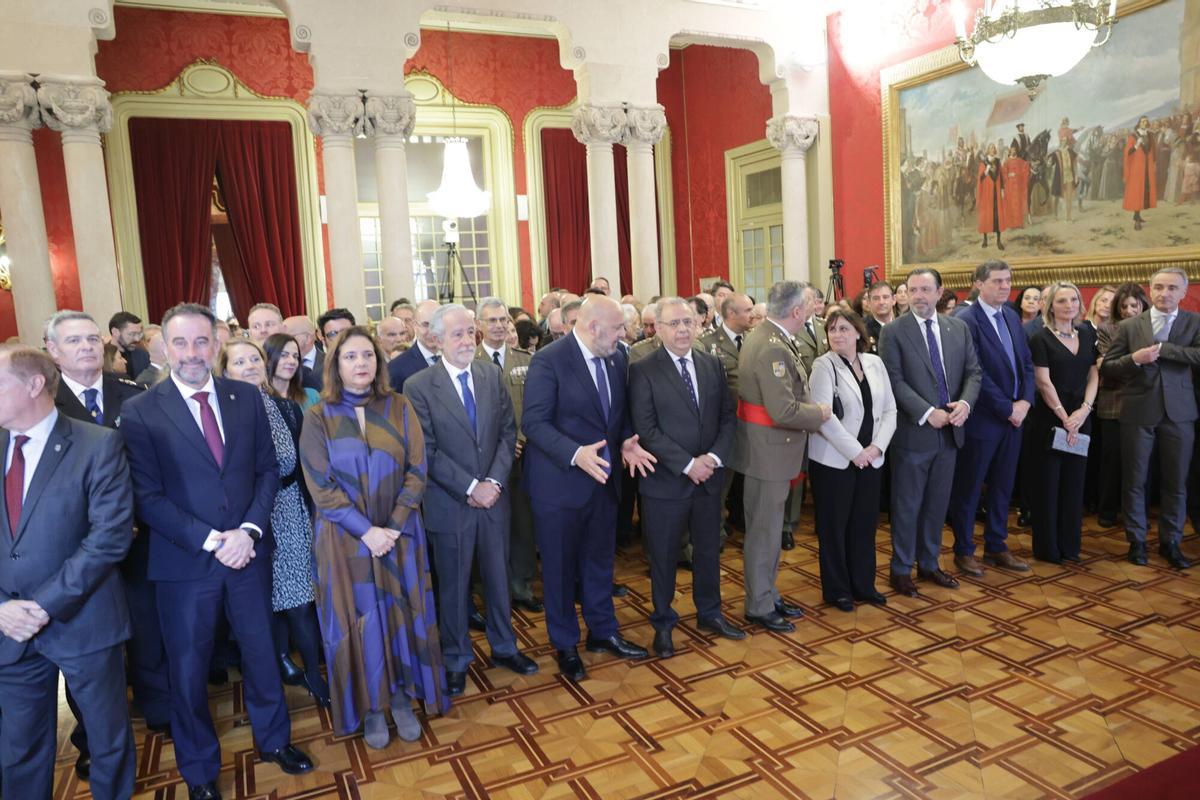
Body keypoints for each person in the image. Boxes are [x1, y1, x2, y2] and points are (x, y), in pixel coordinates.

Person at [120, 304, 313, 800]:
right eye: (180, 343)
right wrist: (213, 540)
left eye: (201, 342)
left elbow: (268, 471)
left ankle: (275, 742)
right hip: (186, 564)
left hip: (249, 554)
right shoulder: (141, 410)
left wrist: (247, 531)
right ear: (164, 346)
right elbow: (146, 496)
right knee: (187, 671)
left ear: (216, 344)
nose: (191, 353)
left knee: (263, 655)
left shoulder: (246, 398)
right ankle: (200, 770)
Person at [298, 326, 450, 749]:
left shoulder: (399, 406)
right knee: (359, 620)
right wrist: (366, 532)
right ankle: (371, 706)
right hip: (345, 541)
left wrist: (394, 525)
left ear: (379, 362)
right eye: (350, 357)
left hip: (400, 534)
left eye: (367, 355)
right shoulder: (318, 416)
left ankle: (401, 697)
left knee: (401, 613)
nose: (360, 363)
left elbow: (418, 470)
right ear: (335, 364)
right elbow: (319, 484)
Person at [0, 345, 136, 800]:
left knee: (107, 741)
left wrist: (41, 605)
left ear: (34, 384)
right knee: (18, 749)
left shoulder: (97, 444)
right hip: (9, 630)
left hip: (86, 623)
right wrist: (3, 610)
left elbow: (109, 538)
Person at [44, 311, 167, 771]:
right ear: (52, 352)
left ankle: (159, 706)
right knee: (88, 650)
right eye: (73, 341)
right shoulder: (45, 405)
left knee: (148, 629)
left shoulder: (134, 394)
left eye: (92, 339)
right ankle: (92, 737)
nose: (87, 347)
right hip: (77, 548)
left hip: (140, 537)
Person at [521, 295, 656, 681]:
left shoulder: (616, 357)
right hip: (559, 487)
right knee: (561, 570)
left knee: (599, 562)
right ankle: (564, 644)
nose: (624, 334)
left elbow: (617, 413)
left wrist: (628, 438)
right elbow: (534, 423)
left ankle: (603, 631)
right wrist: (574, 453)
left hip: (603, 483)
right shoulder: (550, 360)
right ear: (593, 326)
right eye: (617, 328)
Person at [405, 305, 537, 696]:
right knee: (455, 587)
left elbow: (506, 433)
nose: (467, 341)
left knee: (499, 579)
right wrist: (469, 487)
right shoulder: (418, 386)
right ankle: (456, 658)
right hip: (450, 503)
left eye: (469, 333)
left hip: (495, 498)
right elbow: (425, 450)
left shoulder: (490, 375)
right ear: (437, 339)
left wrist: (494, 481)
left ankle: (504, 647)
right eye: (457, 335)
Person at [217, 340, 327, 709]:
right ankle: (276, 671)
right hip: (245, 521)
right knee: (264, 606)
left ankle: (314, 674)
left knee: (299, 603)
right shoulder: (221, 411)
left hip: (289, 512)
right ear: (225, 370)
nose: (249, 366)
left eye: (254, 359)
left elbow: (295, 463)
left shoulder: (281, 404)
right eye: (239, 361)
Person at [629, 297, 742, 657]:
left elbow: (727, 416)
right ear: (658, 329)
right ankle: (663, 623)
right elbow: (646, 428)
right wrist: (687, 464)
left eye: (688, 322)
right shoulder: (643, 369)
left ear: (699, 325)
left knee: (708, 550)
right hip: (666, 482)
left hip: (708, 477)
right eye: (674, 323)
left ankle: (710, 613)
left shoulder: (712, 364)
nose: (682, 330)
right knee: (663, 558)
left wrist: (711, 457)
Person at [731, 281, 830, 633]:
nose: (815, 309)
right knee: (764, 532)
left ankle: (767, 593)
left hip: (770, 450)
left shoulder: (770, 338)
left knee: (770, 531)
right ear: (797, 311)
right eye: (809, 305)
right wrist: (820, 413)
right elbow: (783, 409)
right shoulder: (771, 346)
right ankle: (758, 604)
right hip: (768, 452)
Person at [879, 268, 981, 597]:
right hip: (913, 433)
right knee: (908, 505)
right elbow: (894, 381)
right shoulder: (893, 332)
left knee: (937, 504)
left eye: (926, 289)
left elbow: (973, 372)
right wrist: (926, 412)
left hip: (951, 433)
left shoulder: (958, 328)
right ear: (905, 294)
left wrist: (965, 403)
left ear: (939, 293)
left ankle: (929, 563)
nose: (919, 296)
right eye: (913, 290)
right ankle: (900, 569)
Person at [1100, 268, 1200, 569]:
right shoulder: (1130, 325)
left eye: (1171, 288)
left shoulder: (1194, 322)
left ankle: (1171, 541)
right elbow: (1108, 367)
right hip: (1138, 410)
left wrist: (1166, 350)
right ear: (1150, 289)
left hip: (1179, 412)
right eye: (1158, 287)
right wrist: (1134, 359)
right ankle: (1137, 541)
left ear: (1183, 292)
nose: (1164, 293)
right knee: (1134, 479)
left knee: (1176, 481)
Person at [947, 261, 1034, 577]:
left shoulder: (1011, 315)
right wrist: (1007, 408)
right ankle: (964, 550)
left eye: (1008, 280)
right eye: (997, 281)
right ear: (979, 284)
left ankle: (997, 545)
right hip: (983, 418)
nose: (1004, 286)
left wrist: (1025, 401)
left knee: (1003, 485)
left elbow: (1026, 362)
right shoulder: (965, 320)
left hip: (1015, 417)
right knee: (970, 487)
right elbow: (975, 372)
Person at [808, 309, 895, 611]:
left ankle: (863, 584)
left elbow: (890, 411)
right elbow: (823, 417)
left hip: (872, 459)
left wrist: (876, 448)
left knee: (863, 524)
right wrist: (855, 452)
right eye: (832, 330)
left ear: (859, 333)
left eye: (844, 329)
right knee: (834, 527)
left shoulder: (875, 363)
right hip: (835, 462)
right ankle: (838, 590)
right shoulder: (823, 365)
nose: (837, 335)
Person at [474, 298, 541, 612]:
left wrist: (520, 438)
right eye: (492, 321)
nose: (499, 325)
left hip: (524, 457)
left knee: (523, 524)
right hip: (485, 461)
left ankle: (522, 585)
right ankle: (493, 589)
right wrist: (502, 444)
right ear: (479, 326)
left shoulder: (527, 359)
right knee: (491, 528)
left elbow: (537, 405)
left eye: (503, 320)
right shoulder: (469, 361)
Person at [1026, 282, 1098, 564]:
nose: (1069, 305)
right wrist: (1064, 415)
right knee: (1049, 485)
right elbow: (1042, 382)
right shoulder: (1040, 339)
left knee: (1074, 484)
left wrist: (1084, 411)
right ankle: (1048, 549)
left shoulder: (1087, 333)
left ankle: (1070, 546)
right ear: (1049, 306)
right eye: (1062, 301)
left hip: (1081, 419)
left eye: (1074, 300)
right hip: (1050, 420)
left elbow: (1094, 375)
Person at [1095, 283, 1150, 528]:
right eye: (1124, 306)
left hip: (1146, 403)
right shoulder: (1108, 329)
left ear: (1142, 306)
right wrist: (1137, 364)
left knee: (1140, 463)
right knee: (1111, 461)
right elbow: (1107, 366)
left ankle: (1136, 514)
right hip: (1114, 403)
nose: (1129, 310)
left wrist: (1124, 365)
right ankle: (1107, 511)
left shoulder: (1152, 328)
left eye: (1134, 305)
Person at [387, 299, 441, 392]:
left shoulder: (456, 360)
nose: (432, 331)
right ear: (415, 326)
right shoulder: (397, 368)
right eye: (426, 325)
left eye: (437, 324)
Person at [264, 333, 320, 409]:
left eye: (295, 356)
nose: (292, 361)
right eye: (284, 355)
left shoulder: (312, 396)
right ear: (268, 360)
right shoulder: (260, 399)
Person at [1124, 116, 1156, 230]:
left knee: (1144, 191)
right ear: (1138, 123)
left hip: (1146, 167)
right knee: (1137, 192)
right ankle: (1137, 220)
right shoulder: (1133, 136)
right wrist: (1136, 145)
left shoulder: (1150, 135)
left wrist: (1153, 163)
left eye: (1146, 121)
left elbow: (1153, 150)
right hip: (1137, 169)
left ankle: (1137, 215)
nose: (1144, 123)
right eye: (1142, 121)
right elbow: (1127, 153)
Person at [977, 143, 1006, 250]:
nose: (993, 150)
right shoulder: (983, 163)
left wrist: (1002, 189)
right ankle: (985, 239)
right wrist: (986, 170)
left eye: (994, 148)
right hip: (987, 192)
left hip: (996, 191)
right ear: (988, 151)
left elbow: (1002, 176)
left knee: (997, 215)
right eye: (991, 148)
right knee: (986, 215)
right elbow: (980, 178)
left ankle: (999, 241)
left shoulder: (998, 162)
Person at [282, 316, 323, 392]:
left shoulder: (332, 362)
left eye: (288, 336)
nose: (282, 341)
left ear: (307, 338)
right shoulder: (277, 364)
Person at [864, 281, 895, 353]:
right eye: (876, 298)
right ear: (869, 302)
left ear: (894, 300)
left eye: (885, 297)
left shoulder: (904, 327)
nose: (881, 302)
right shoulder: (862, 329)